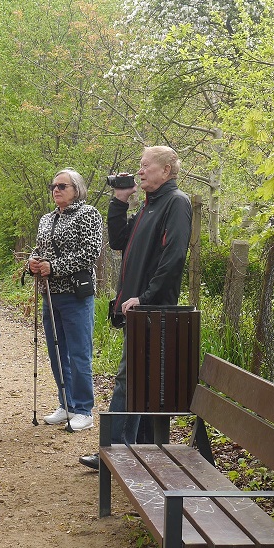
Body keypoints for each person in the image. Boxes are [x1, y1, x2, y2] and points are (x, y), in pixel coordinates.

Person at [80, 146, 192, 470]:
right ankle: (134, 450)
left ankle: (114, 452)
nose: (140, 171)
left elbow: (174, 257)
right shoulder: (149, 205)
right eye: (140, 166)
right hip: (140, 312)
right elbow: (118, 241)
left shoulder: (176, 203)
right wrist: (119, 201)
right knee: (138, 382)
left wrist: (146, 297)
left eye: (146, 166)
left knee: (130, 380)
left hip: (155, 312)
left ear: (166, 170)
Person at [27, 168, 103, 431]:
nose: (56, 190)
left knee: (79, 353)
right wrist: (32, 263)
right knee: (56, 352)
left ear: (77, 189)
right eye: (53, 186)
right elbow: (40, 249)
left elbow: (90, 252)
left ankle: (84, 409)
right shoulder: (47, 218)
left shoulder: (88, 214)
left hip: (76, 295)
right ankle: (66, 404)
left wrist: (55, 267)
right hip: (50, 294)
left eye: (62, 186)